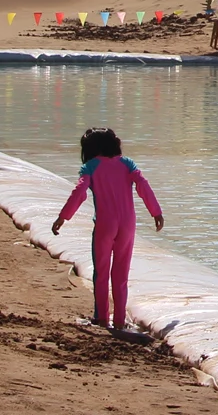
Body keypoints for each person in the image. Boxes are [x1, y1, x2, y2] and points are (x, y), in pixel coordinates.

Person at [51, 128, 164, 330]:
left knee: (101, 272)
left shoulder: (90, 167)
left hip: (105, 224)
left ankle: (101, 318)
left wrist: (63, 217)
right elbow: (143, 185)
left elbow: (79, 192)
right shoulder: (127, 164)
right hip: (128, 224)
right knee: (121, 274)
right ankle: (119, 321)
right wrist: (156, 212)